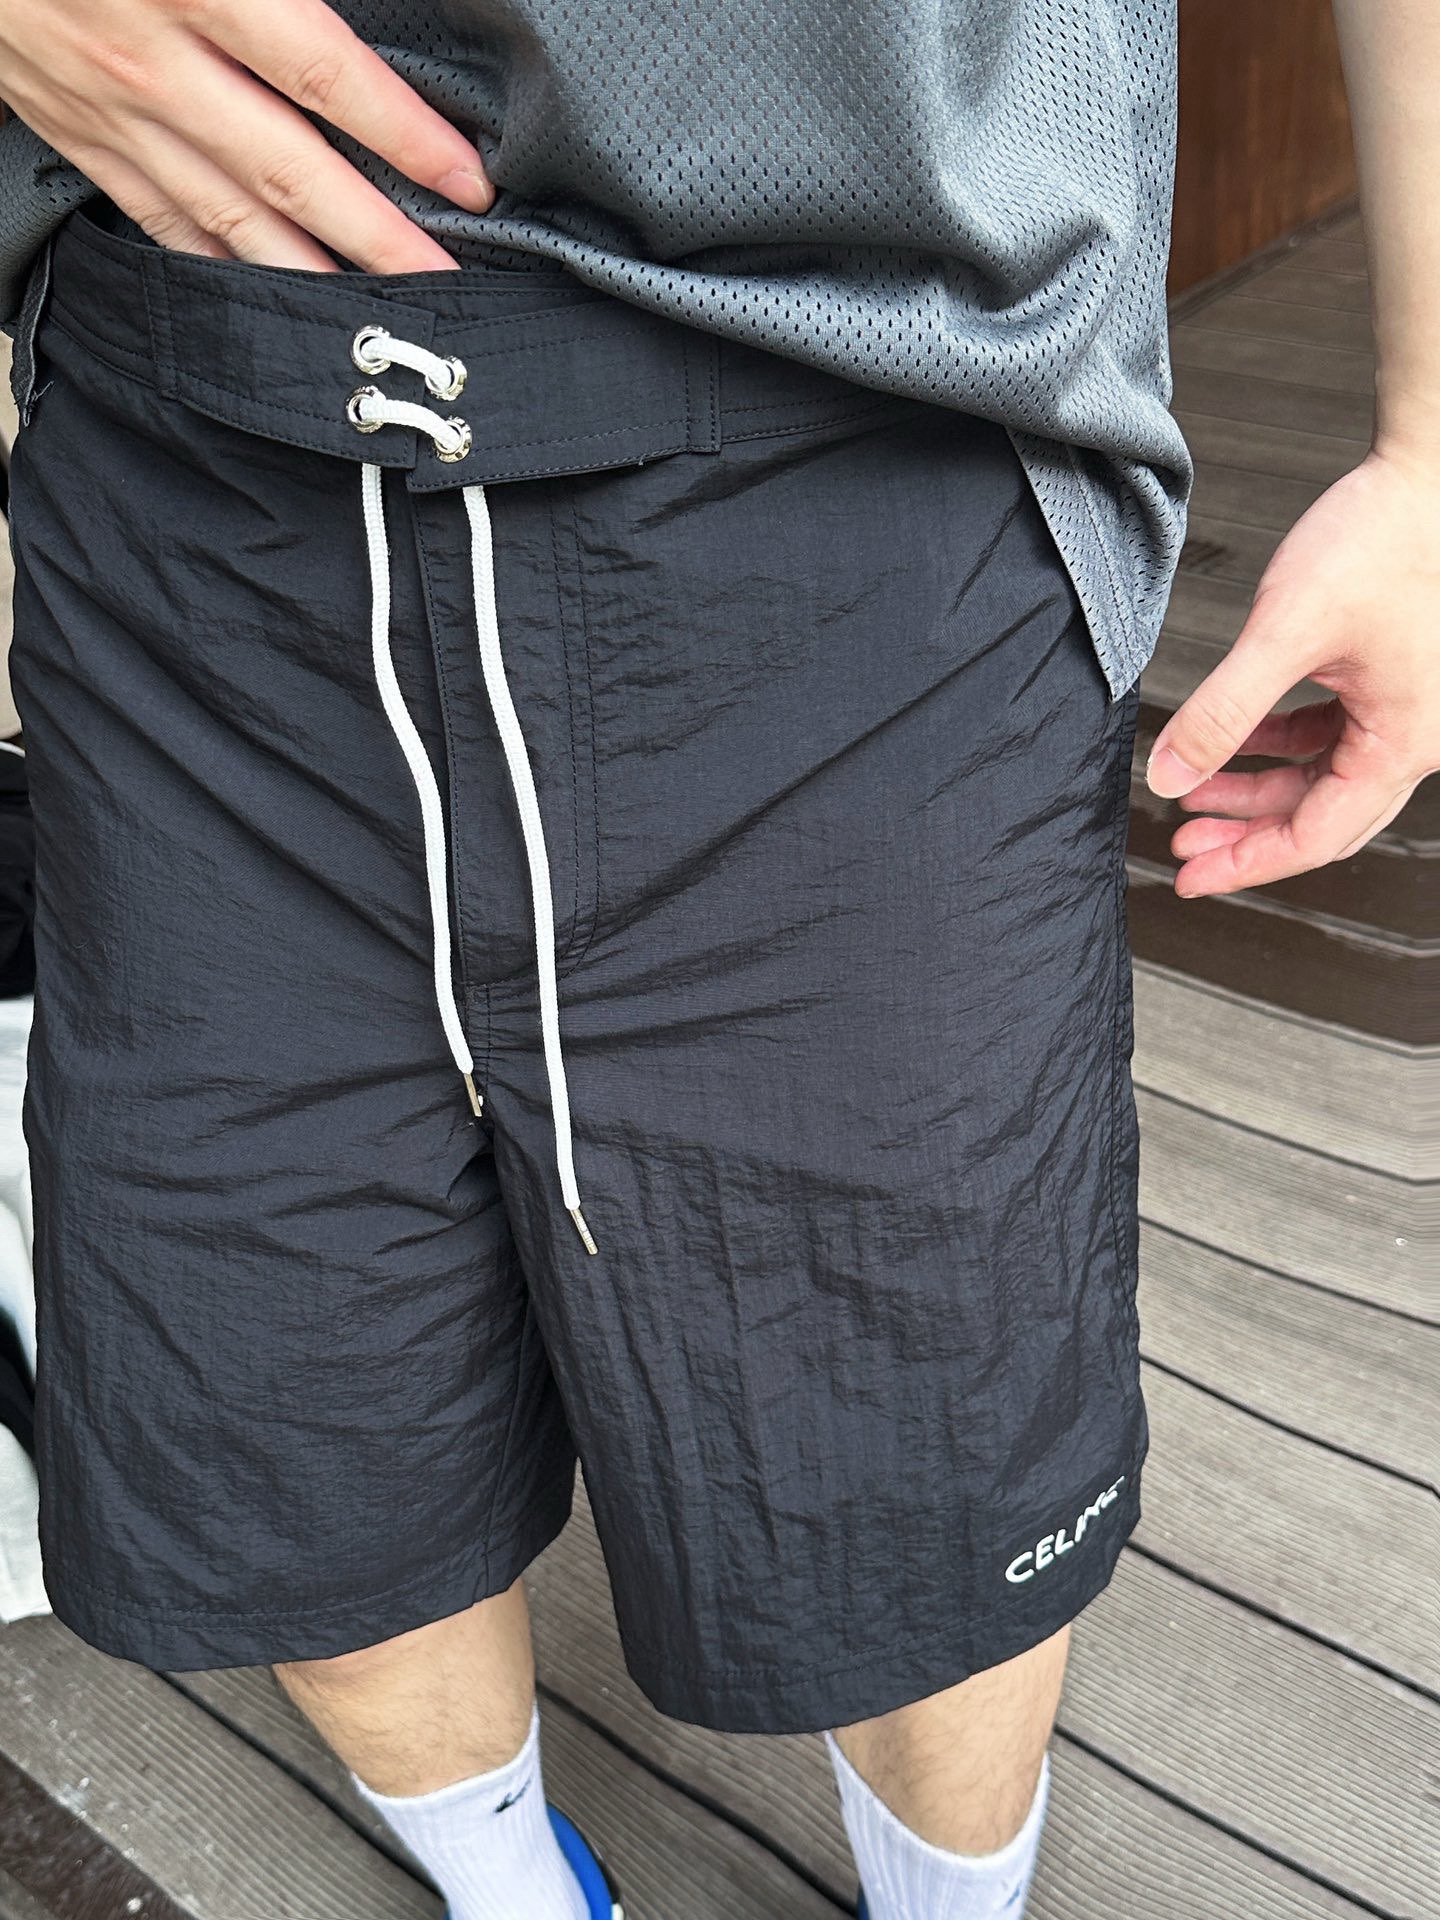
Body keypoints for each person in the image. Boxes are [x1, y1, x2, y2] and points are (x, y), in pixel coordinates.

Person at [0, 5, 1435, 1918]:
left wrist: (1435, 445)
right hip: (180, 487)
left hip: (861, 453)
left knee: (920, 1512)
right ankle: (517, 1895)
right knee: (292, 1449)